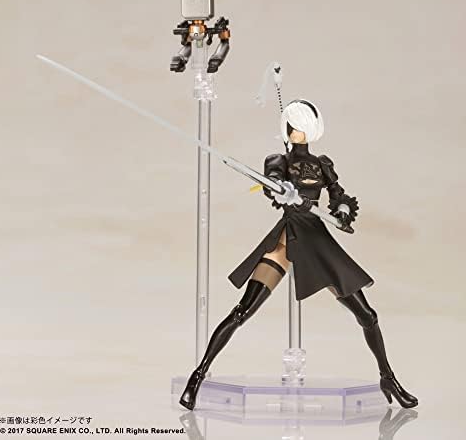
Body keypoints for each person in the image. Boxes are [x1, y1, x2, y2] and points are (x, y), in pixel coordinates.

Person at [179, 99, 418, 410]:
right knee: (242, 311)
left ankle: (388, 378)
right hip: (288, 237)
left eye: (302, 126)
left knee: (367, 315)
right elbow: (272, 186)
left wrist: (342, 211)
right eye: (292, 125)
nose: (296, 131)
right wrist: (283, 191)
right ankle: (197, 376)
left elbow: (339, 195)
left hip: (317, 240)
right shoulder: (278, 160)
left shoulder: (322, 164)